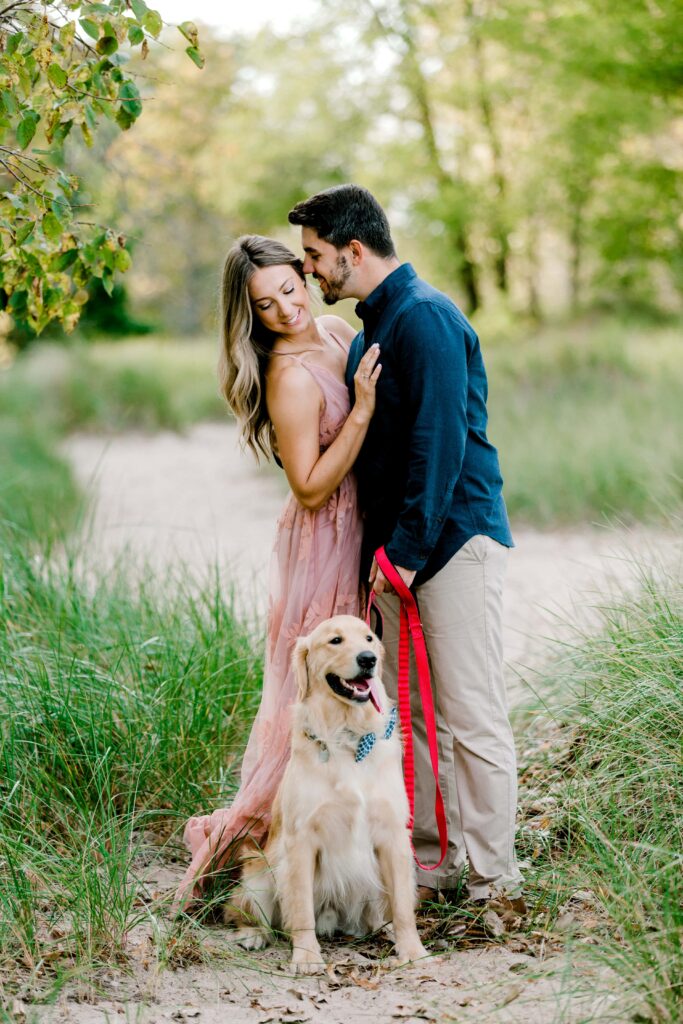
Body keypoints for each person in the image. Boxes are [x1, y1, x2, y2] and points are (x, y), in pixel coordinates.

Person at [288, 186, 525, 914]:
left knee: (471, 715)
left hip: (452, 543)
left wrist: (410, 552)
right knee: (415, 718)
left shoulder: (424, 317)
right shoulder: (370, 332)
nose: (311, 272)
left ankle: (493, 879)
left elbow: (441, 442)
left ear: (351, 251)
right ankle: (434, 864)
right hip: (400, 555)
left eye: (315, 257)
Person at [174, 235, 381, 909]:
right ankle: (266, 841)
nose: (287, 310)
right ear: (251, 316)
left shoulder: (334, 327)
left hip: (362, 522)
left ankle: (351, 846)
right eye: (265, 306)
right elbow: (313, 487)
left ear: (304, 274)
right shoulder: (287, 375)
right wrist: (363, 410)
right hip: (323, 535)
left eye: (290, 289)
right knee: (305, 695)